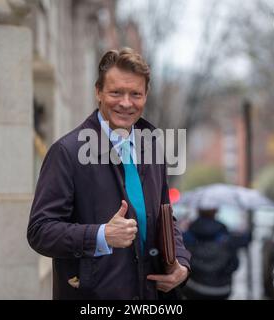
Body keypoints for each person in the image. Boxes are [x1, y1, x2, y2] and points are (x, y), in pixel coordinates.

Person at [27, 48, 190, 300]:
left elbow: (166, 216)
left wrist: (180, 261)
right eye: (116, 92)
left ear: (145, 95)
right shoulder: (66, 152)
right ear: (98, 92)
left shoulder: (154, 147)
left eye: (135, 94)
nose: (126, 103)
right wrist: (101, 235)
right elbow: (40, 231)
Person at [182, 206, 249, 300]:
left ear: (198, 210)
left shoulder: (187, 235)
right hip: (222, 289)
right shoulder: (226, 236)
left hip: (193, 287)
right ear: (216, 211)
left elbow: (182, 262)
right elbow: (234, 264)